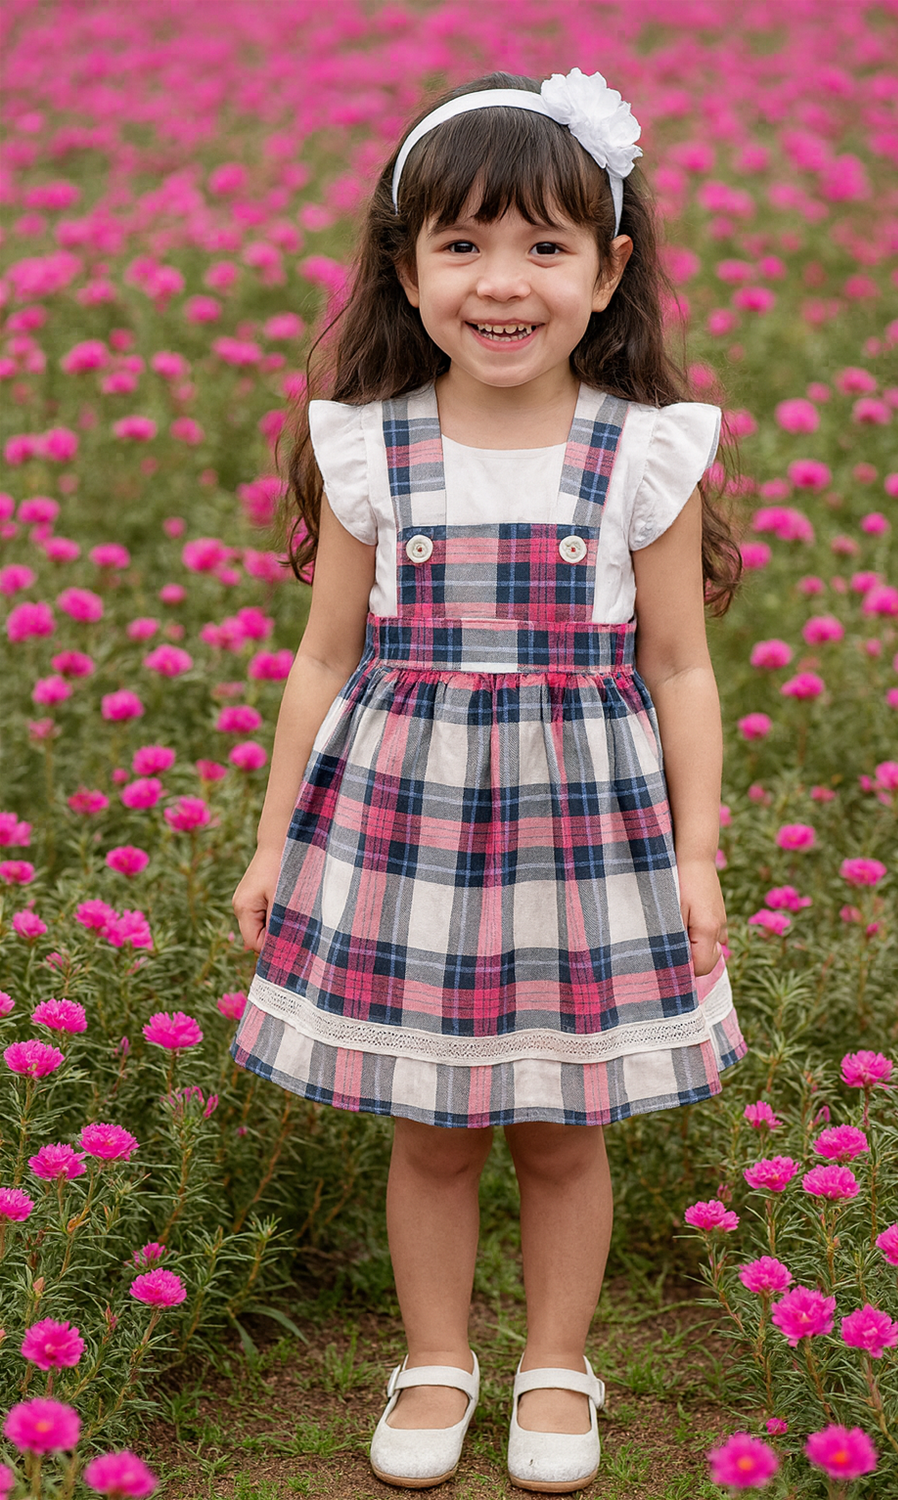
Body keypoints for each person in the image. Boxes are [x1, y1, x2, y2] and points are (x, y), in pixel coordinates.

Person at [230, 67, 747, 1494]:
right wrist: (275, 846)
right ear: (406, 267)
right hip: (409, 839)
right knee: (434, 1128)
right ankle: (438, 1356)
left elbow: (684, 671)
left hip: (585, 842)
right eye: (461, 245)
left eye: (542, 246)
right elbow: (323, 664)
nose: (501, 282)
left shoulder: (644, 451)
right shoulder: (371, 444)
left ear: (607, 269)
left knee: (563, 1134)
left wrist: (697, 853)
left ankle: (559, 1365)